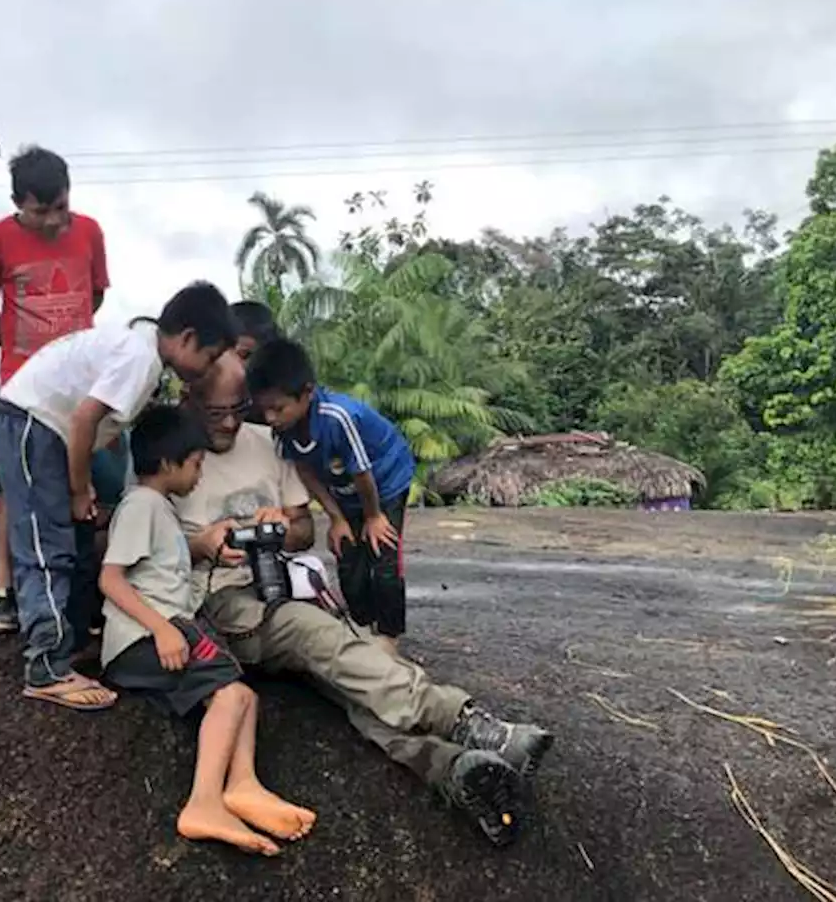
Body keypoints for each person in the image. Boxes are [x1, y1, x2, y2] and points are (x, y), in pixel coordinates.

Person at [176, 355, 554, 846]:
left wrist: (280, 526)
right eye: (214, 412)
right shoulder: (168, 453)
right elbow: (131, 544)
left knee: (359, 679)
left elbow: (301, 530)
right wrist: (203, 543)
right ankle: (466, 722)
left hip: (286, 586)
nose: (230, 422)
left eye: (238, 408)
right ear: (188, 400)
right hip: (231, 605)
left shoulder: (268, 442)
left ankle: (457, 771)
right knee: (323, 638)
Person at [0, 281, 237, 711]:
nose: (206, 369)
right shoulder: (140, 357)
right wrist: (78, 486)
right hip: (34, 422)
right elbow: (86, 419)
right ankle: (46, 667)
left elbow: (99, 428)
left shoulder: (142, 351)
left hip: (44, 425)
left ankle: (67, 644)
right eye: (210, 357)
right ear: (188, 338)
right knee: (46, 544)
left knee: (72, 537)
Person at [100, 405, 315, 855]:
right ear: (166, 463)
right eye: (196, 464)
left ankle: (243, 785)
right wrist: (162, 629)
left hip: (166, 629)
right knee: (232, 694)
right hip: (148, 636)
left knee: (244, 696)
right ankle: (203, 803)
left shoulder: (160, 509)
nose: (201, 474)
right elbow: (111, 578)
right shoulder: (141, 504)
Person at [0, 146, 110, 635]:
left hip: (78, 387)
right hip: (22, 386)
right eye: (40, 212)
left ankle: (79, 593)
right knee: (13, 487)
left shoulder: (90, 231)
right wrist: (15, 348)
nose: (53, 221)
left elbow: (95, 293)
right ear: (17, 203)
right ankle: (2, 591)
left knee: (78, 485)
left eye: (61, 209)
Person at [246, 337, 416, 652]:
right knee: (348, 557)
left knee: (384, 559)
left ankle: (389, 635)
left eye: (278, 408)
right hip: (345, 492)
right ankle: (361, 627)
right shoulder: (282, 431)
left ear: (307, 393)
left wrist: (373, 517)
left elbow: (362, 473)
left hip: (384, 483)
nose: (270, 417)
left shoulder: (339, 417)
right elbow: (306, 472)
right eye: (264, 409)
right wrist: (336, 518)